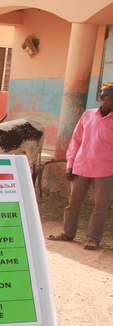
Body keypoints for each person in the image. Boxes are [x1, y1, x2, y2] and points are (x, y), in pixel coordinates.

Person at [47, 81, 113, 250]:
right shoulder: (88, 115)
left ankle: (93, 239)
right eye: (111, 98)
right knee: (73, 204)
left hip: (105, 170)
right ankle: (67, 233)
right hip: (81, 167)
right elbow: (75, 141)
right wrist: (70, 164)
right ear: (103, 98)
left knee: (100, 207)